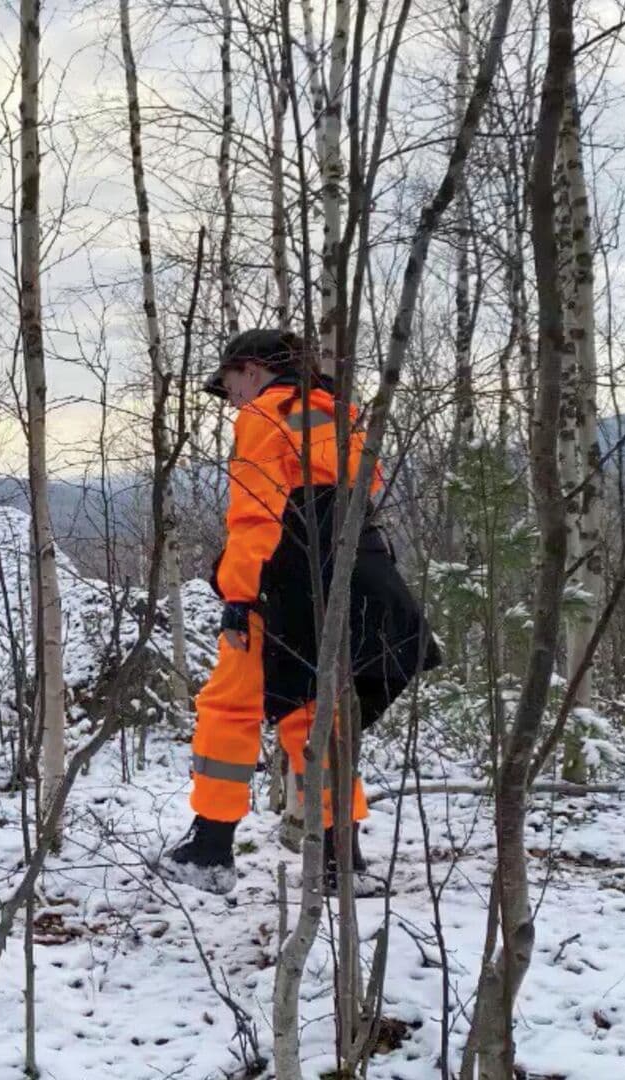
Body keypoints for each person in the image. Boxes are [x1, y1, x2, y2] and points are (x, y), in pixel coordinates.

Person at [157, 328, 441, 895]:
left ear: (253, 369)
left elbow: (256, 515)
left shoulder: (265, 416)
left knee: (228, 706)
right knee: (318, 715)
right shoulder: (342, 416)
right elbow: (365, 488)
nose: (231, 398)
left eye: (231, 383)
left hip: (281, 582)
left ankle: (209, 850)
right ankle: (341, 861)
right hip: (357, 576)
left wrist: (238, 598)